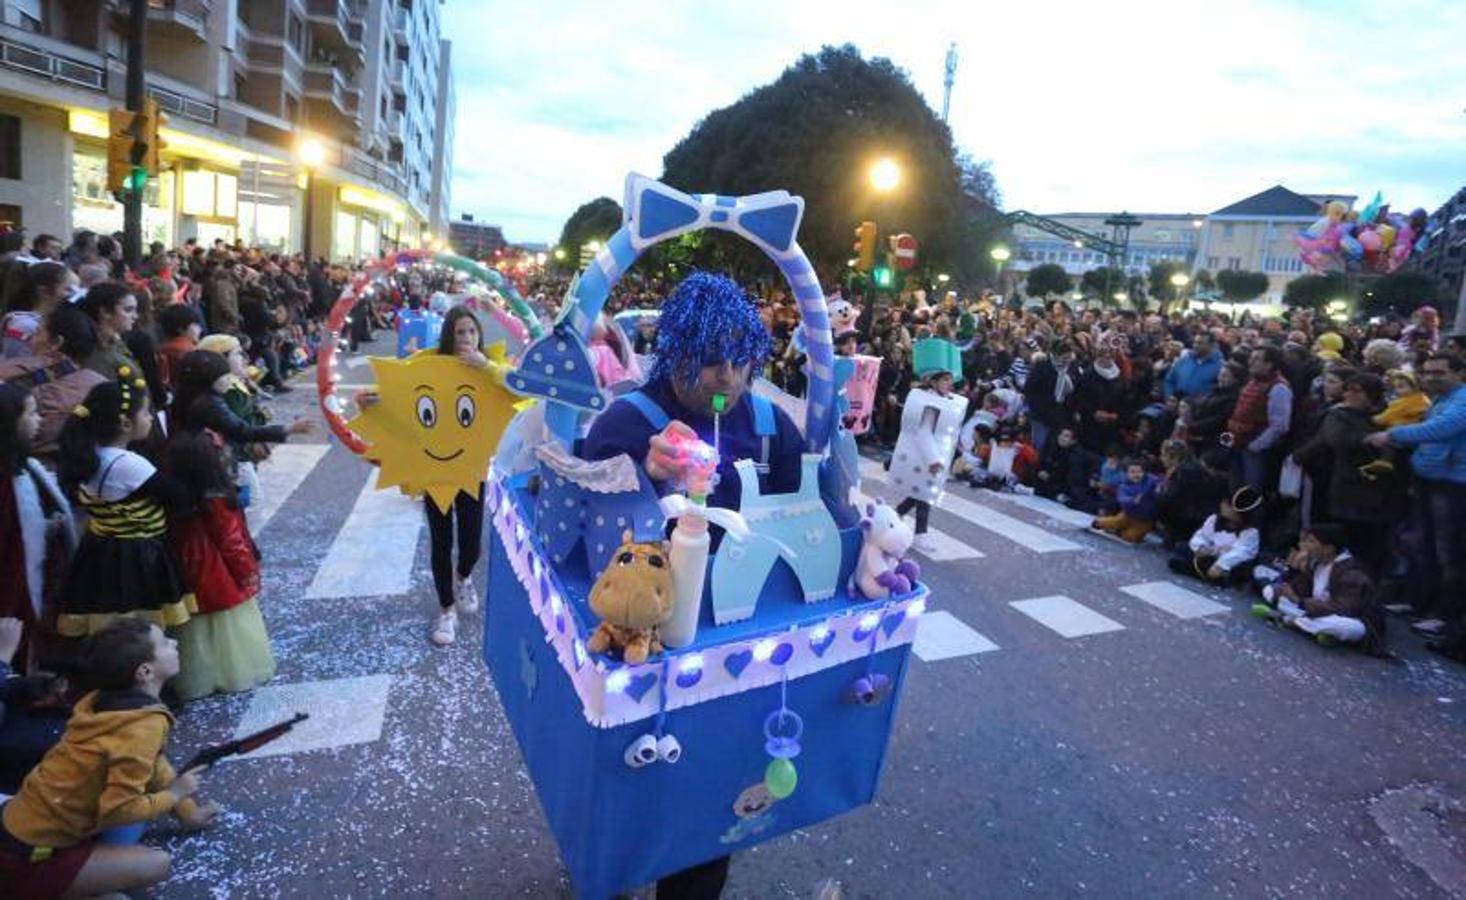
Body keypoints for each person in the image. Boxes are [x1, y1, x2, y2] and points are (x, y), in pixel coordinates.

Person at [581, 272, 807, 896]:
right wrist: (639, 477)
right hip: (643, 640)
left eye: (741, 360)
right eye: (711, 362)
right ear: (677, 350)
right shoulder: (629, 419)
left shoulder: (768, 423)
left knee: (709, 802)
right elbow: (580, 523)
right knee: (629, 789)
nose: (728, 378)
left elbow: (805, 507)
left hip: (736, 642)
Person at [0, 618, 217, 897]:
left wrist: (189, 812)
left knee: (141, 809)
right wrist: (174, 796)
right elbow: (118, 811)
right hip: (26, 855)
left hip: (21, 824)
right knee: (156, 864)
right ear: (145, 671)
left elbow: (153, 762)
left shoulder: (102, 700)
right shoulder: (143, 726)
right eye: (164, 643)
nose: (174, 643)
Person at [362, 307, 492, 647]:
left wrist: (487, 367)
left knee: (472, 544)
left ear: (480, 335)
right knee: (440, 541)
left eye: (471, 332)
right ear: (449, 335)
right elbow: (401, 393)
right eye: (460, 332)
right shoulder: (429, 363)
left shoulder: (488, 370)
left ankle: (463, 577)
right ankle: (446, 609)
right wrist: (372, 404)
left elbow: (518, 392)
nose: (466, 339)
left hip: (471, 469)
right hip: (435, 472)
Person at [55, 380, 194, 638]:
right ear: (125, 424)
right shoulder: (128, 464)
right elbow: (178, 496)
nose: (151, 417)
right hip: (135, 554)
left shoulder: (90, 454)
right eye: (145, 412)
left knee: (108, 621)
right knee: (137, 624)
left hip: (99, 548)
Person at [1365, 353, 1466, 662]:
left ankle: (1444, 615)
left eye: (1440, 372)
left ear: (1459, 373)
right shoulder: (1441, 399)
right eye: (1428, 372)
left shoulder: (1461, 400)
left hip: (1452, 484)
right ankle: (1418, 602)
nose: (1432, 377)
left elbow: (1441, 430)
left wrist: (1392, 434)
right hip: (1428, 478)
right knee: (1419, 545)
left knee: (1448, 552)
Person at [163, 430, 275, 700]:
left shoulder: (173, 495)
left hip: (185, 565)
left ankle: (196, 678)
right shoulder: (215, 497)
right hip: (217, 569)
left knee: (195, 629)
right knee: (229, 626)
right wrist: (247, 573)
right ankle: (232, 674)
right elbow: (231, 541)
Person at [1290, 373, 1401, 576]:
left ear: (1371, 395)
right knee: (1349, 538)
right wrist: (1369, 439)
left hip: (1381, 490)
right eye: (1348, 389)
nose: (1348, 394)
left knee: (1374, 543)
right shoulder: (1339, 414)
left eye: (1355, 390)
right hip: (1348, 486)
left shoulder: (1391, 413)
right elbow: (1334, 438)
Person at [1253, 524, 1385, 653]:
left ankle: (1289, 620)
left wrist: (1299, 601)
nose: (1304, 546)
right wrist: (1294, 569)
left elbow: (1343, 609)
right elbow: (1301, 590)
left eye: (1311, 541)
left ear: (1328, 548)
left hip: (1352, 620)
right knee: (1275, 595)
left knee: (1338, 626)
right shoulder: (1318, 563)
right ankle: (1317, 631)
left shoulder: (1351, 573)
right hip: (1317, 611)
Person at [0, 305, 109, 459]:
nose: (31, 340)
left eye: (38, 333)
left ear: (56, 342)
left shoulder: (14, 370)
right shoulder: (100, 387)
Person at [1225, 345, 1292, 493]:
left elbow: (1280, 425)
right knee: (1235, 489)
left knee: (1251, 493)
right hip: (1238, 443)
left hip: (1254, 449)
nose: (1251, 362)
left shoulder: (1279, 388)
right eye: (1251, 358)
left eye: (1256, 359)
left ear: (1269, 364)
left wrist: (1255, 446)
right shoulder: (1252, 382)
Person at [1167, 487, 1261, 585]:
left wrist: (1221, 565)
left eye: (1227, 505)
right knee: (1182, 547)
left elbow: (1242, 552)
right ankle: (1205, 573)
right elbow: (1201, 535)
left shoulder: (1250, 532)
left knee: (1239, 570)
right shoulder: (1215, 519)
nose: (1222, 505)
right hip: (1210, 556)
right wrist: (1201, 547)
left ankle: (1204, 573)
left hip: (1228, 562)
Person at [1, 261, 77, 359]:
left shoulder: (55, 322)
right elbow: (15, 364)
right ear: (44, 291)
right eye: (68, 289)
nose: (73, 295)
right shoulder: (23, 325)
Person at [77, 282, 142, 379]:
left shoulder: (115, 342)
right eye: (128, 310)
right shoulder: (98, 355)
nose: (135, 316)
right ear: (105, 312)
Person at [1091, 459, 1160, 543]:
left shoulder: (1149, 480)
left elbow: (1158, 480)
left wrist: (1159, 485)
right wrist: (1132, 500)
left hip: (1145, 520)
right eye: (1132, 472)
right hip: (1128, 514)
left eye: (1139, 472)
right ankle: (1099, 523)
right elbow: (1122, 499)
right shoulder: (1124, 486)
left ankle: (1119, 532)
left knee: (1131, 537)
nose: (1136, 475)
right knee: (1115, 522)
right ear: (1127, 474)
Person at [1163, 332, 1223, 400]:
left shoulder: (1219, 366)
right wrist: (1169, 396)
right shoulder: (1184, 359)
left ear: (1211, 345)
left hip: (1199, 408)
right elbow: (1169, 380)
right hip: (1174, 403)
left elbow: (1218, 391)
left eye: (1200, 343)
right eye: (1194, 342)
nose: (1195, 345)